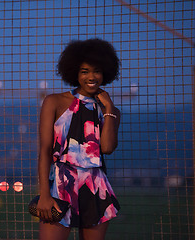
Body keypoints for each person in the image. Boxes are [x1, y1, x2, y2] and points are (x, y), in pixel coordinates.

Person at [37, 38, 121, 240]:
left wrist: (109, 109)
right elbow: (45, 150)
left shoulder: (111, 111)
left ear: (105, 73)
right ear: (74, 72)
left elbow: (107, 148)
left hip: (96, 188)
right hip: (60, 186)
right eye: (85, 71)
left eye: (97, 71)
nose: (91, 77)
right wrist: (44, 195)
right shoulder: (54, 101)